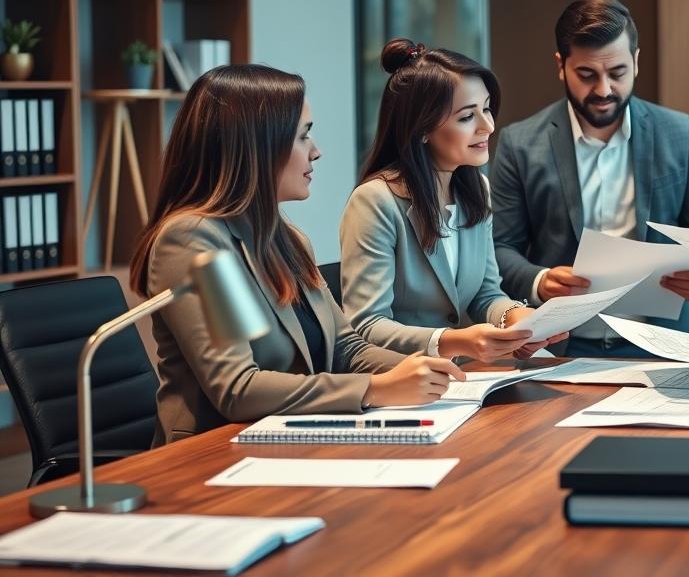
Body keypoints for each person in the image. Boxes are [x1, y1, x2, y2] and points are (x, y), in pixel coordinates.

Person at [131, 65, 464, 446]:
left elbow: (345, 349)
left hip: (287, 443)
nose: (316, 151)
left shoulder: (286, 238)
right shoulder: (196, 241)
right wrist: (376, 388)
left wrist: (432, 372)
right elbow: (238, 387)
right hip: (209, 456)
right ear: (258, 146)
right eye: (303, 136)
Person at [491, 0, 689, 357]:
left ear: (635, 61)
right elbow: (499, 247)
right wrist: (539, 281)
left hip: (665, 345)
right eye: (587, 75)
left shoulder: (680, 133)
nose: (603, 90)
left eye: (617, 73)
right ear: (561, 65)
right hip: (561, 348)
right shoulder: (519, 143)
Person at [339, 40, 566, 360]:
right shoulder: (375, 202)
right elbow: (366, 325)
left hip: (469, 376)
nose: (488, 126)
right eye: (466, 117)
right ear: (422, 129)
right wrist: (453, 341)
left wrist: (514, 318)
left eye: (487, 108)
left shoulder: (477, 190)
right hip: (405, 379)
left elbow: (486, 293)